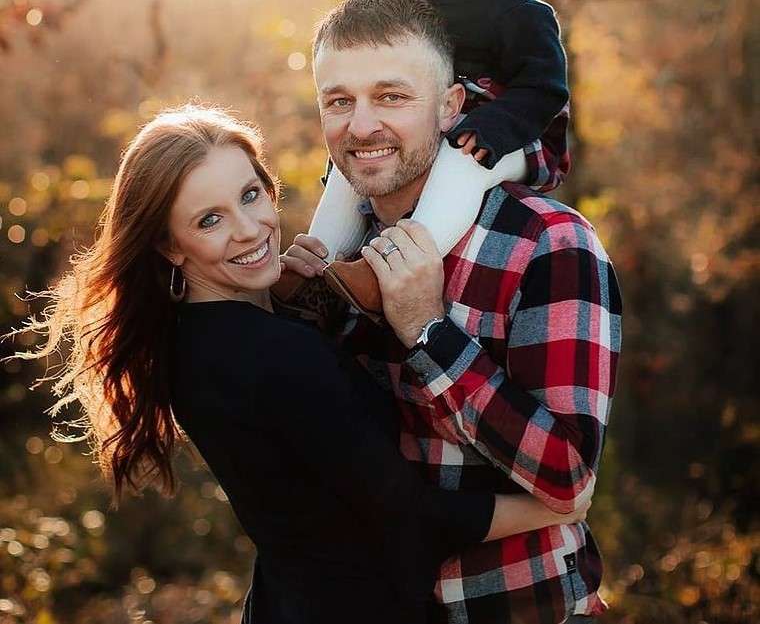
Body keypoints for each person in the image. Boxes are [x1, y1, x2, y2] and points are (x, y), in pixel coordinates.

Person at [17, 105, 591, 624]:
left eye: (250, 195)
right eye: (208, 220)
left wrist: (304, 299)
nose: (250, 229)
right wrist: (553, 505)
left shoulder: (188, 338)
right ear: (169, 245)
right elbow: (409, 518)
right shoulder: (275, 354)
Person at [281, 0, 622, 624]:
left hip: (516, 606)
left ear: (451, 106)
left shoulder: (548, 243)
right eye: (339, 101)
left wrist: (427, 331)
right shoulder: (326, 256)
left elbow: (568, 477)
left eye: (391, 96)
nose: (360, 126)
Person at [305, 0, 570, 316]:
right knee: (347, 168)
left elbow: (545, 88)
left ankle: (392, 269)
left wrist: (494, 127)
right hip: (438, 120)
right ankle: (313, 267)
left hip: (512, 135)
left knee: (459, 164)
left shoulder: (521, 13)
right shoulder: (412, 9)